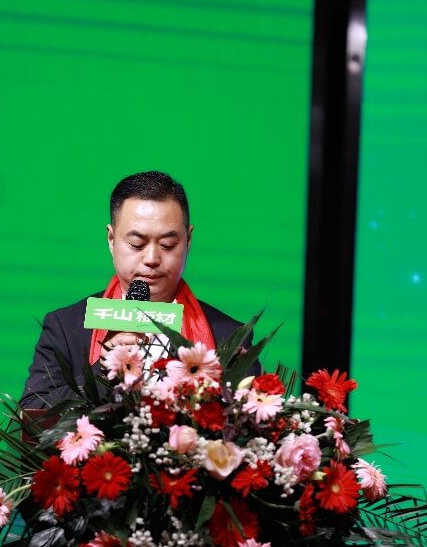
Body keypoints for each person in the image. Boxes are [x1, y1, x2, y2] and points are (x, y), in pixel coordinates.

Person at [19, 171, 256, 409]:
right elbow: (31, 415)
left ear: (188, 240)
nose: (151, 258)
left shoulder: (230, 337)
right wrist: (103, 373)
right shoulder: (66, 327)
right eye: (136, 244)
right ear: (111, 239)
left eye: (168, 245)